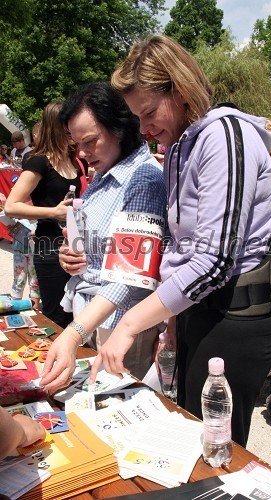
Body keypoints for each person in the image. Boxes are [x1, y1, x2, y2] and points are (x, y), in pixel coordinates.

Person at [68, 34, 271, 448]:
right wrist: (169, 321)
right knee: (189, 440)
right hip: (198, 314)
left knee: (216, 451)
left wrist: (130, 324)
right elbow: (181, 250)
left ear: (180, 89)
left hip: (234, 319)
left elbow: (216, 259)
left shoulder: (224, 134)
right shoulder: (184, 146)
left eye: (148, 113)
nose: (145, 129)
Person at [40, 81, 166, 388]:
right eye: (76, 144)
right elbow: (99, 247)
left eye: (90, 141)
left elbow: (130, 275)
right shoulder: (104, 174)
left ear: (120, 128)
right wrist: (73, 256)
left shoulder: (143, 179)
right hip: (94, 318)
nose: (82, 153)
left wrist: (73, 333)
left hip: (122, 325)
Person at [5, 101, 84, 327]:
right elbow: (12, 205)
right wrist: (54, 211)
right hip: (49, 245)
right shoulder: (40, 161)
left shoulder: (72, 160)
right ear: (58, 126)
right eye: (69, 124)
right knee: (56, 315)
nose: (73, 129)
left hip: (73, 244)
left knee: (77, 315)